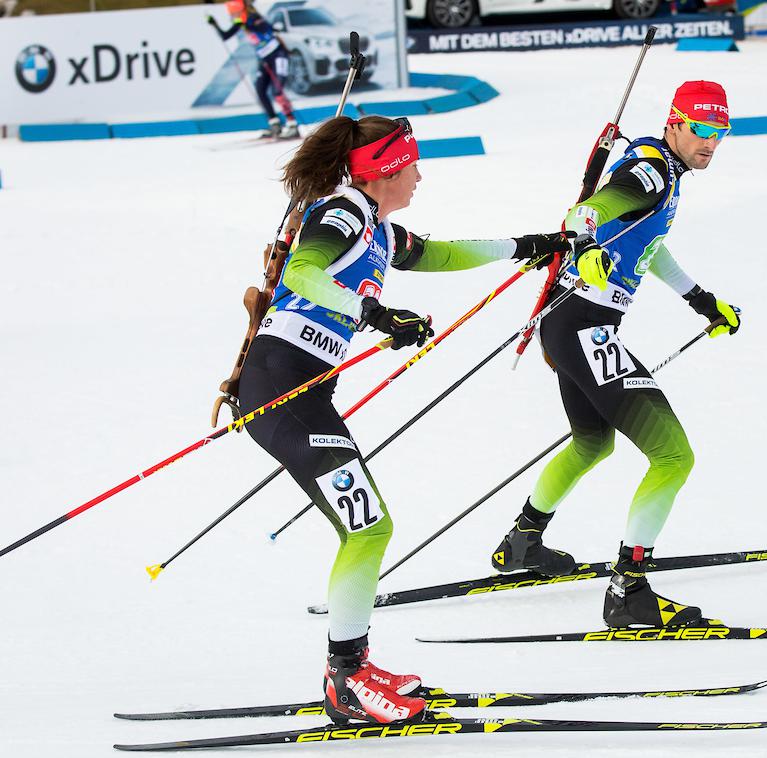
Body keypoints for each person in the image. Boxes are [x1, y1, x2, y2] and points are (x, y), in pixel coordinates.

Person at [238, 115, 571, 724]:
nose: (420, 176)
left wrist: (521, 247)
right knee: (368, 528)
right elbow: (303, 274)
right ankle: (346, 678)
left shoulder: (376, 226)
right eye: (413, 165)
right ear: (386, 169)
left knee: (367, 528)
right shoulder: (340, 215)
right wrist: (374, 313)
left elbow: (438, 253)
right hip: (280, 390)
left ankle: (354, 665)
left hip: (299, 392)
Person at [490, 81, 741, 629]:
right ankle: (629, 590)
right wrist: (584, 254)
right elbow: (589, 215)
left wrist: (699, 300)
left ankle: (523, 543)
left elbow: (647, 240)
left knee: (591, 443)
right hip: (585, 327)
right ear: (674, 122)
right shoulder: (650, 172)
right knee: (674, 456)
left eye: (720, 133)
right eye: (700, 130)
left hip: (570, 326)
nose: (710, 144)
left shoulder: (664, 170)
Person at [207, 0, 300, 139]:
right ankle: (275, 124)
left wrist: (245, 22)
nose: (234, 16)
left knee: (277, 91)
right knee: (261, 89)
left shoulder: (255, 18)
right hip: (264, 59)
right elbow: (226, 36)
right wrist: (214, 24)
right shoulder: (242, 21)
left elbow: (265, 29)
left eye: (235, 13)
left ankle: (292, 124)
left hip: (277, 55)